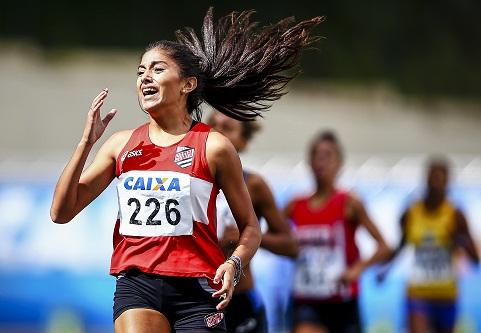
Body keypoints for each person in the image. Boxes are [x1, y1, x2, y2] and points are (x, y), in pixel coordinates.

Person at [50, 8, 323, 333]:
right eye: (140, 71)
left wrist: (234, 264)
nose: (144, 77)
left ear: (187, 84)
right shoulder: (120, 144)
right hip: (138, 285)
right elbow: (61, 212)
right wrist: (86, 143)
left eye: (157, 68)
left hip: (198, 290)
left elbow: (251, 226)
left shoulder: (214, 147)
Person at [284, 131, 390, 333]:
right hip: (307, 300)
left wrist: (358, 269)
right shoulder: (294, 205)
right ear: (309, 163)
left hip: (342, 301)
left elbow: (384, 247)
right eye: (316, 155)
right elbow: (271, 236)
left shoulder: (349, 203)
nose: (321, 161)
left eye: (328, 155)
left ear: (339, 163)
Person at [209, 111, 299, 333]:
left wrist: (247, 237)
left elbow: (290, 245)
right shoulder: (186, 181)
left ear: (244, 141)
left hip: (239, 300)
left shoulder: (254, 185)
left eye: (227, 128)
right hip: (192, 299)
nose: (217, 133)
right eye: (212, 125)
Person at [378, 158, 480, 333]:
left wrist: (458, 239)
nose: (435, 184)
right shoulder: (411, 213)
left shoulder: (455, 215)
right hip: (418, 293)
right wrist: (386, 269)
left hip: (446, 294)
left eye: (440, 180)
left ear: (448, 182)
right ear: (425, 180)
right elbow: (402, 245)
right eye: (432, 179)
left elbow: (476, 259)